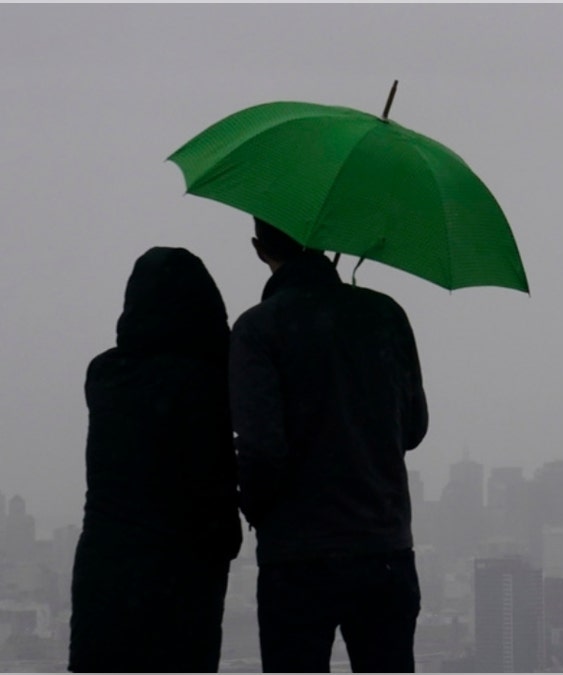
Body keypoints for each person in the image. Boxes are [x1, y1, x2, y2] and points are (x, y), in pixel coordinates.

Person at [230, 218, 428, 672]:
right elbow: (413, 428)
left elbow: (261, 448)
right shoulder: (385, 315)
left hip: (297, 559)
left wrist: (257, 510)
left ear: (259, 248)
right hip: (384, 551)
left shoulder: (257, 330)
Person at [70, 247, 242, 673]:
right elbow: (209, 480)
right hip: (182, 569)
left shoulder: (104, 374)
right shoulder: (207, 382)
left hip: (105, 566)